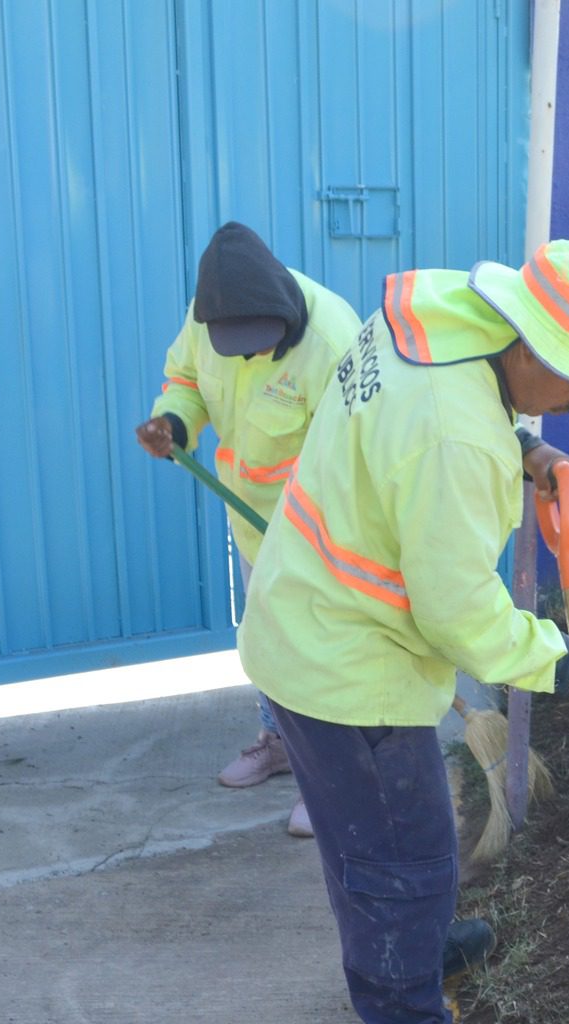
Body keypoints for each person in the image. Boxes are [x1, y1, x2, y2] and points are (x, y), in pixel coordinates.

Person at [236, 241, 569, 1024]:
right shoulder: (455, 437)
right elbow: (456, 612)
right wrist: (564, 657)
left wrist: (525, 442)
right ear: (527, 348)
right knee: (405, 858)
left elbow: (457, 411)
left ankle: (408, 946)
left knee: (366, 842)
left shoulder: (438, 317)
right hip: (345, 663)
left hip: (306, 618)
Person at [136, 222, 360, 836]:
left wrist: (325, 540)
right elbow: (184, 383)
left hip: (321, 531)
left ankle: (329, 783)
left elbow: (359, 456)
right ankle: (281, 743)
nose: (250, 357)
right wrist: (173, 427)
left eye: (261, 346)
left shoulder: (335, 340)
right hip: (252, 520)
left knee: (319, 659)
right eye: (236, 347)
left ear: (283, 311)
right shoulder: (208, 321)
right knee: (267, 645)